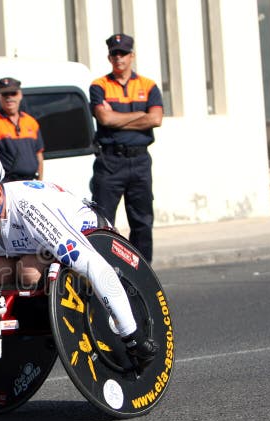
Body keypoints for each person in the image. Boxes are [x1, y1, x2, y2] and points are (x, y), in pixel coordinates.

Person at [0, 140, 157, 364]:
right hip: (35, 250)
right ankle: (32, 322)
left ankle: (48, 318)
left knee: (28, 272)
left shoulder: (30, 210)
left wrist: (132, 335)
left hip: (92, 240)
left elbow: (95, 265)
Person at [89, 33, 163, 262]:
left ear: (132, 56)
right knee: (102, 222)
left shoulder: (148, 86)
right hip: (110, 162)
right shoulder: (99, 85)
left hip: (139, 161)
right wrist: (141, 115)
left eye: (123, 53)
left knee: (141, 221)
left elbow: (156, 119)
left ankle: (142, 272)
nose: (118, 58)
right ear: (109, 57)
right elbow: (105, 119)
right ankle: (103, 269)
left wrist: (118, 117)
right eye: (114, 54)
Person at [0, 77, 44, 182]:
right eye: (5, 94)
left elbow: (39, 156)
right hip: (6, 184)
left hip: (31, 182)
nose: (9, 97)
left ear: (20, 95)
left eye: (13, 93)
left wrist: (40, 182)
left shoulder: (31, 122)